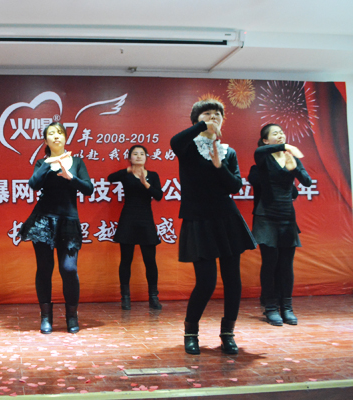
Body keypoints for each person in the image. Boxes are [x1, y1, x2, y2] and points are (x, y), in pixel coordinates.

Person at [170, 99, 256, 355]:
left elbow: (235, 186)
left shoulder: (228, 151)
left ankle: (228, 333)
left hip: (226, 219)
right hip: (198, 219)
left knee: (233, 281)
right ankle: (190, 333)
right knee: (206, 282)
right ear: (196, 120)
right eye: (207, 114)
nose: (213, 117)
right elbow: (175, 141)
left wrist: (219, 166)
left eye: (217, 114)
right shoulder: (188, 147)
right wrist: (202, 126)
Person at [20, 122, 94, 334]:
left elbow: (89, 189)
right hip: (43, 221)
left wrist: (71, 178)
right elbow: (33, 184)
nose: (56, 136)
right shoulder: (41, 162)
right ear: (46, 140)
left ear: (65, 138)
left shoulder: (77, 162)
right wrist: (49, 163)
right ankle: (46, 317)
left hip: (68, 222)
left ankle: (72, 315)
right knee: (44, 269)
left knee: (69, 269)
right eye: (51, 134)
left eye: (59, 133)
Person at [251, 124, 311, 326]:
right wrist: (286, 146)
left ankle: (286, 307)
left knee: (286, 265)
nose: (280, 135)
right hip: (266, 217)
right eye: (275, 134)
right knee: (270, 263)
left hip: (287, 217)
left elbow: (307, 182)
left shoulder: (291, 157)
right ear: (266, 140)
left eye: (282, 133)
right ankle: (270, 308)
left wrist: (295, 168)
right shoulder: (263, 157)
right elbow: (259, 151)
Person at [107, 145, 163, 310]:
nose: (139, 156)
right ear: (130, 158)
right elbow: (110, 178)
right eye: (135, 154)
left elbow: (159, 196)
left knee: (150, 260)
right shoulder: (126, 175)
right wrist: (128, 170)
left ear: (146, 157)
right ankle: (125, 298)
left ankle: (153, 297)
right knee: (126, 260)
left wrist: (146, 184)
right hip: (128, 219)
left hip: (146, 219)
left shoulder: (153, 175)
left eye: (142, 154)